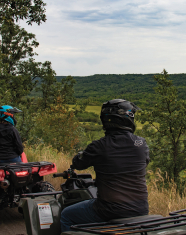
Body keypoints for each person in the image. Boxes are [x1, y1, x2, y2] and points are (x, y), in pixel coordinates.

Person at [60, 99, 150, 232]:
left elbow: (78, 163)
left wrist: (80, 155)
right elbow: (145, 162)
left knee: (66, 215)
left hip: (109, 210)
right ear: (128, 120)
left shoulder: (99, 146)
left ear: (106, 120)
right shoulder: (141, 144)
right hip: (141, 208)